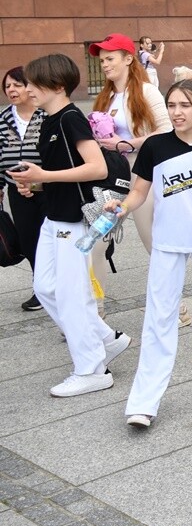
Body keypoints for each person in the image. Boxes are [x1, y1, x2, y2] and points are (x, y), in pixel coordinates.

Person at [113, 80, 192, 427]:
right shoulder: (155, 146)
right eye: (171, 105)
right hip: (167, 241)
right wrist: (121, 208)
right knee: (158, 319)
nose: (176, 112)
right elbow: (139, 191)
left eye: (185, 105)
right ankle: (143, 403)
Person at [10, 55, 130, 397]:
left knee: (70, 294)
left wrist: (44, 176)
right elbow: (64, 173)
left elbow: (96, 168)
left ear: (58, 85)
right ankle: (105, 339)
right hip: (54, 216)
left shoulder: (70, 119)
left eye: (33, 83)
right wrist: (35, 183)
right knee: (46, 287)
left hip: (74, 220)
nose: (28, 89)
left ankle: (91, 370)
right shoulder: (49, 120)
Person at [89, 34, 172, 318]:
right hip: (112, 180)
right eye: (102, 60)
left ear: (128, 58)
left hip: (143, 175)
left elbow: (166, 131)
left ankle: (176, 307)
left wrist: (128, 144)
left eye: (110, 58)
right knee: (95, 243)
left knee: (152, 242)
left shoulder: (147, 92)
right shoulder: (105, 97)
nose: (104, 64)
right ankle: (96, 312)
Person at [1, 66, 47, 311]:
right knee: (29, 239)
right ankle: (40, 288)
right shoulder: (3, 119)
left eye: (17, 85)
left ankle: (58, 284)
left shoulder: (46, 116)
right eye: (7, 86)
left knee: (52, 238)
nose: (11, 90)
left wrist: (36, 183)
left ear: (30, 87)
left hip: (49, 189)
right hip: (16, 191)